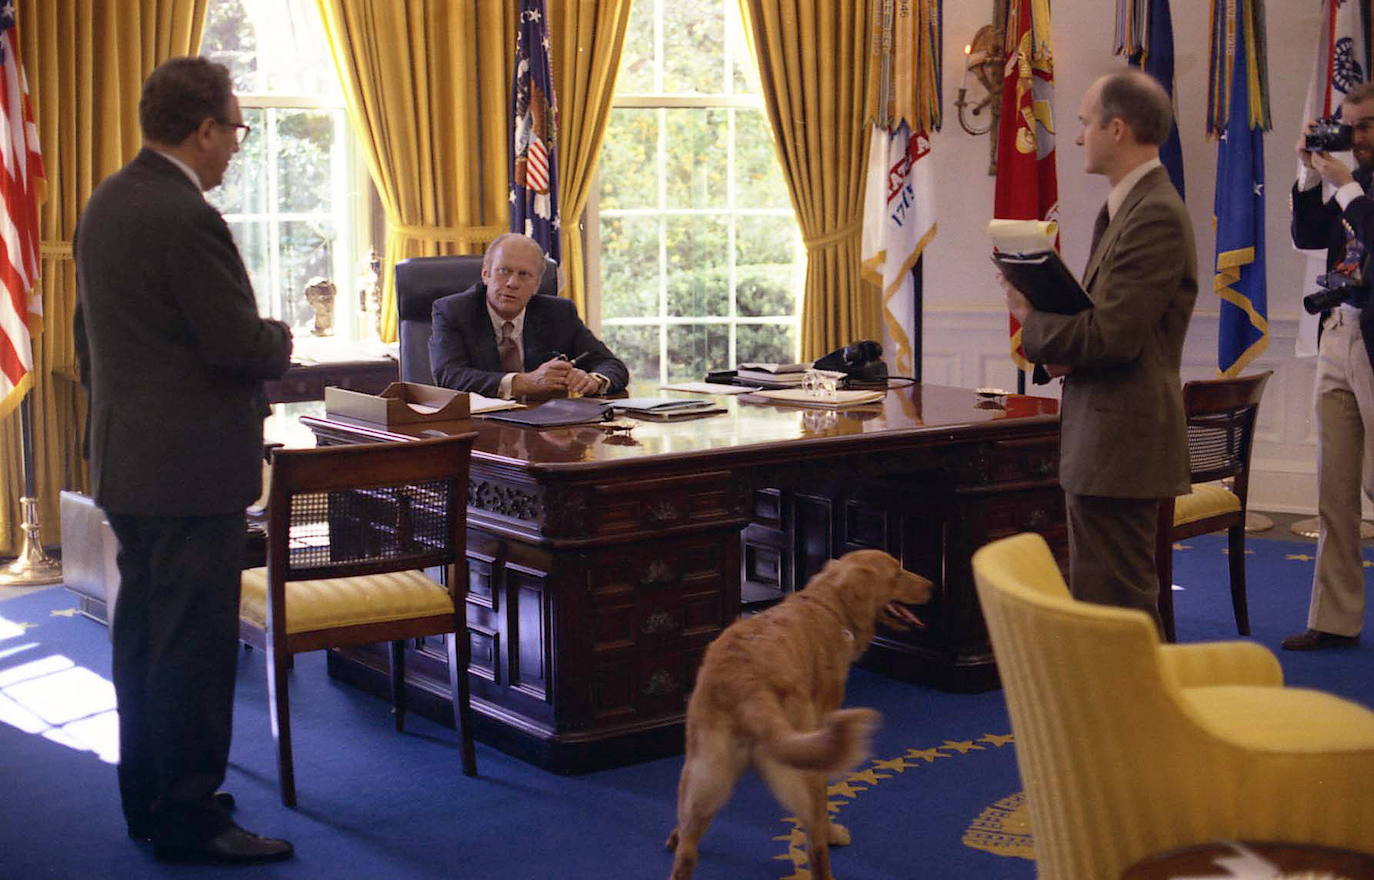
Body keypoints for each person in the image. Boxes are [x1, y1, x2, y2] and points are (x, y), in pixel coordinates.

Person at [73, 57, 295, 863]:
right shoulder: (185, 215)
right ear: (203, 129)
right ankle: (194, 818)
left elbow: (86, 342)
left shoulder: (105, 203)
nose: (236, 145)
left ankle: (150, 802)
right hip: (189, 474)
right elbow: (240, 343)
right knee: (193, 653)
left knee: (143, 643)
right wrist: (281, 336)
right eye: (234, 128)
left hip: (131, 464)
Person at [1001, 69, 1197, 629]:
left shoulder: (1154, 211)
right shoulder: (1126, 207)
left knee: (1119, 609)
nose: (1080, 136)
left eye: (1086, 123)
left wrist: (1030, 318)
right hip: (1107, 438)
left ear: (1117, 128)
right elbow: (1107, 323)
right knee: (1102, 603)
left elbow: (1112, 335)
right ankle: (1121, 715)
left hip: (1122, 442)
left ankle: (1137, 717)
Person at [1284, 81, 1374, 651]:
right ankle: (1335, 618)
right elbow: (1309, 235)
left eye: (1365, 125)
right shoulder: (1349, 183)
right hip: (1337, 331)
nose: (1355, 136)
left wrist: (1346, 188)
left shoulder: (1358, 189)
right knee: (1334, 489)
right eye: (1349, 125)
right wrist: (1311, 176)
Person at [428, 233, 629, 399]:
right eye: (503, 271)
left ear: (536, 285)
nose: (512, 283)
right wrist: (524, 383)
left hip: (546, 430)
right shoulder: (453, 311)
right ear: (486, 274)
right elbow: (449, 376)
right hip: (480, 427)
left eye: (524, 275)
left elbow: (612, 365)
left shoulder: (559, 313)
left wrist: (593, 381)